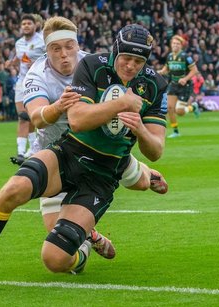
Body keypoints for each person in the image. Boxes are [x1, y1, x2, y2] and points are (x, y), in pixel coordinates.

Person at [0, 23, 167, 288]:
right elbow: (77, 120)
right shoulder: (90, 66)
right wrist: (121, 104)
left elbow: (156, 149)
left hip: (103, 175)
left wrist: (139, 129)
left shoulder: (153, 85)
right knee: (14, 189)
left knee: (54, 259)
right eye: (126, 58)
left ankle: (81, 253)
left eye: (138, 61)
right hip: (68, 153)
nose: (130, 66)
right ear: (115, 51)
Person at [21, 17, 168, 259]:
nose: (65, 54)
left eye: (70, 46)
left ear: (78, 45)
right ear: (47, 50)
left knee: (141, 183)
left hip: (100, 149)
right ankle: (93, 236)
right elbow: (36, 118)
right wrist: (58, 107)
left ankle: (143, 171)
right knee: (57, 237)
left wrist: (137, 125)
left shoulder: (92, 64)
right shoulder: (36, 76)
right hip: (58, 150)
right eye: (56, 48)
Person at [5, 14, 46, 164]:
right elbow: (19, 57)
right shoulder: (19, 43)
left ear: (35, 25)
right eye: (24, 24)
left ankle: (28, 149)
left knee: (31, 115)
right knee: (23, 115)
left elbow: (49, 58)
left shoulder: (42, 41)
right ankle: (23, 152)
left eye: (29, 23)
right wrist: (11, 63)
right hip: (22, 82)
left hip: (37, 81)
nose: (26, 26)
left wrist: (36, 62)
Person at [158, 35, 200, 138]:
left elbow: (195, 70)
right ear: (171, 45)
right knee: (169, 108)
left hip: (185, 86)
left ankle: (193, 107)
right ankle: (176, 131)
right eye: (174, 43)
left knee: (179, 111)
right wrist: (158, 72)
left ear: (181, 46)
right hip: (173, 85)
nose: (175, 45)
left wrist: (185, 79)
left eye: (178, 44)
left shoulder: (186, 57)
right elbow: (166, 69)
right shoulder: (170, 56)